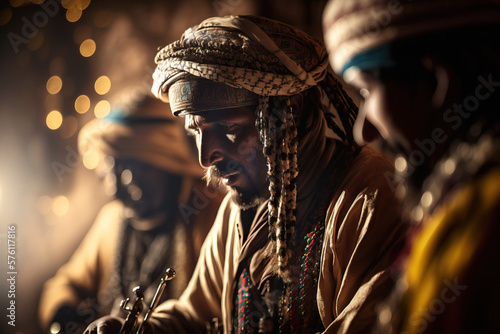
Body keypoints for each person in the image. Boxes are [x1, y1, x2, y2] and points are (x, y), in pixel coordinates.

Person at [84, 15, 408, 334]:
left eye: (228, 129)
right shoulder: (240, 212)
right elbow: (195, 315)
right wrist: (142, 329)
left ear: (290, 111)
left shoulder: (370, 198)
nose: (205, 157)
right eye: (196, 132)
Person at [323, 1, 500, 333]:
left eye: (365, 91)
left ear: (435, 83)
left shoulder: (483, 215)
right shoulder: (459, 199)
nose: (364, 132)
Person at [38, 95, 224, 334]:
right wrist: (65, 320)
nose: (115, 190)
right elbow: (63, 285)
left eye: (128, 170)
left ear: (163, 163)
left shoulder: (212, 215)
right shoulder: (113, 219)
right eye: (111, 169)